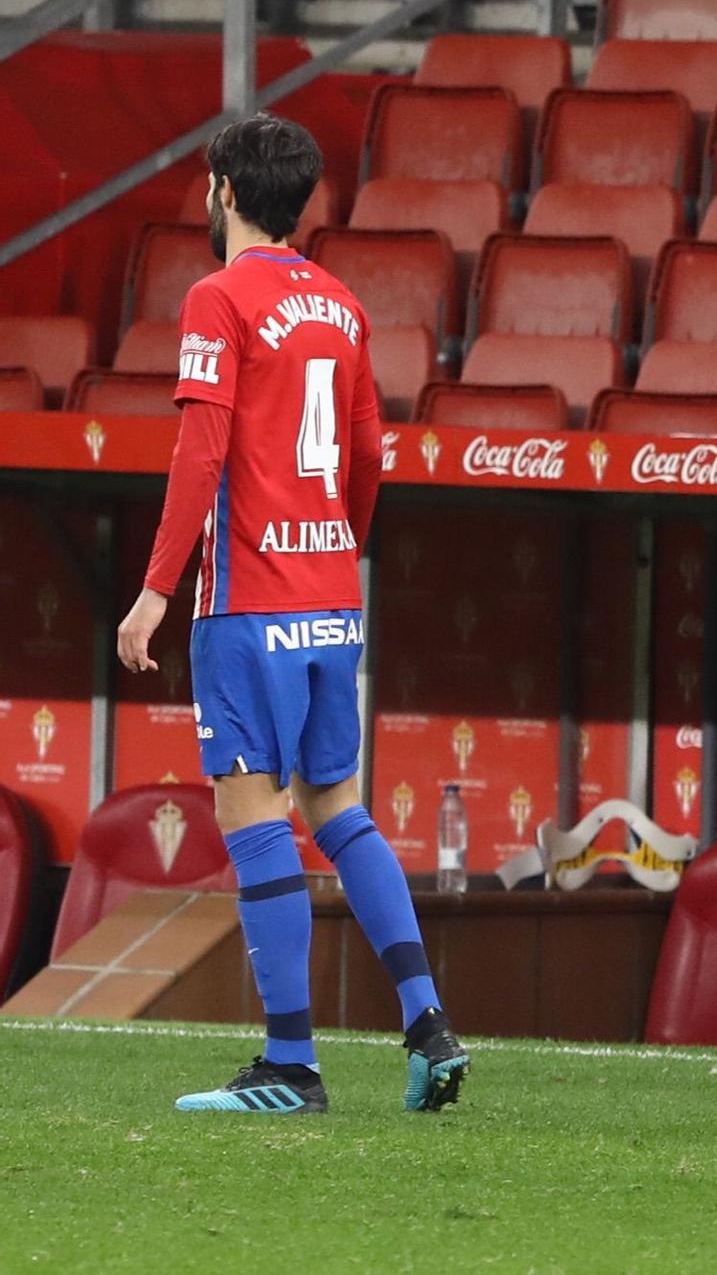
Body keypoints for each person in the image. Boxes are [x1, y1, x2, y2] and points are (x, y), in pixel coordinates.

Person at [116, 114, 467, 1115]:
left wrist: (154, 588)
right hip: (329, 602)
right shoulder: (342, 307)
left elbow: (202, 451)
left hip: (247, 604)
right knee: (338, 808)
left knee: (254, 818)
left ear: (225, 189)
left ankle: (291, 1065)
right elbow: (367, 461)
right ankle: (427, 1023)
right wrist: (339, 556)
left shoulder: (216, 298)